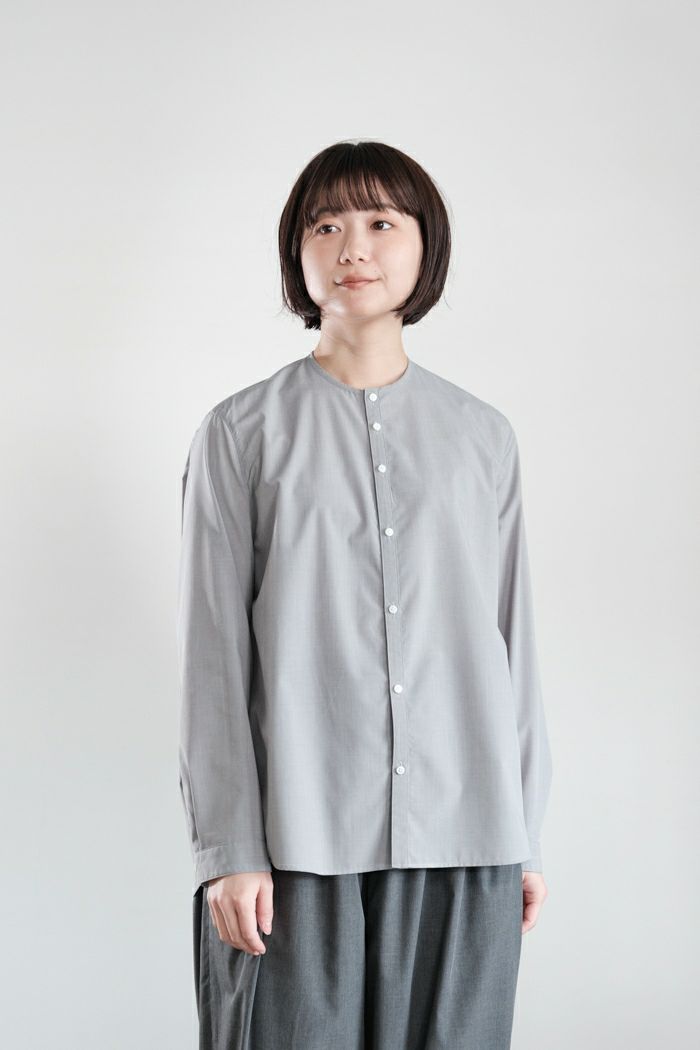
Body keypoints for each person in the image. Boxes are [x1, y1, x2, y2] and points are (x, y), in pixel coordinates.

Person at [177, 139, 553, 1050]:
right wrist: (228, 850)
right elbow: (212, 657)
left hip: (468, 837)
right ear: (296, 253)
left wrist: (525, 834)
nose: (353, 247)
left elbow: (512, 641)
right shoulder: (240, 433)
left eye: (382, 222)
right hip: (294, 846)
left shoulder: (483, 438)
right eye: (326, 225)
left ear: (426, 247)